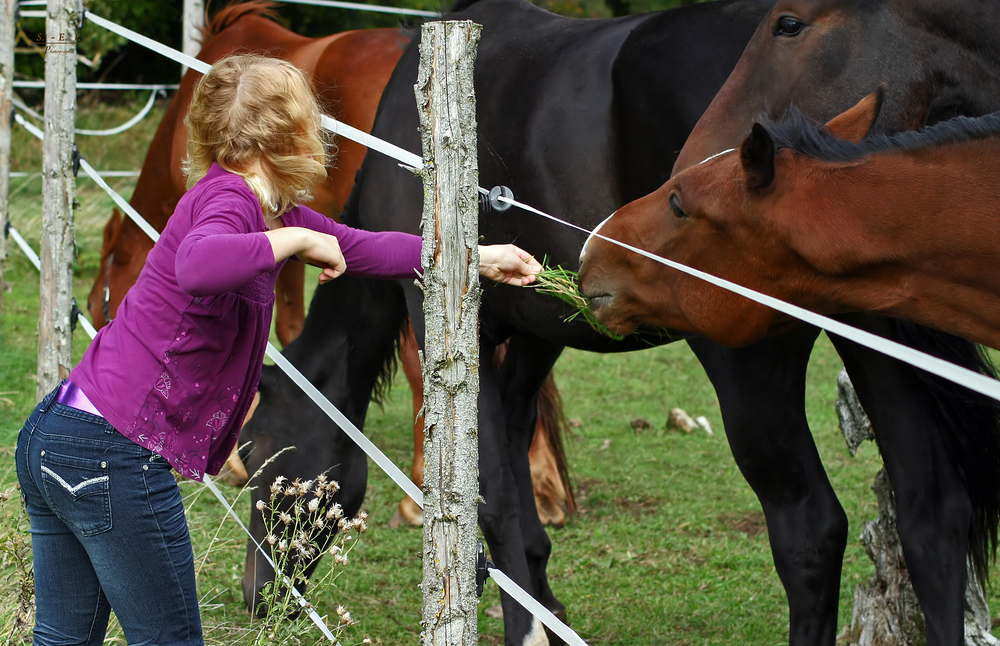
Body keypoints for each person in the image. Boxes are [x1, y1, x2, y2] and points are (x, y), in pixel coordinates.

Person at [14, 53, 541, 646]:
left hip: (58, 438)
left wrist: (477, 257)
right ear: (290, 132)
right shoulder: (231, 203)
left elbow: (365, 247)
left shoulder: (263, 207)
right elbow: (198, 264)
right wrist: (295, 239)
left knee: (63, 638)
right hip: (110, 455)